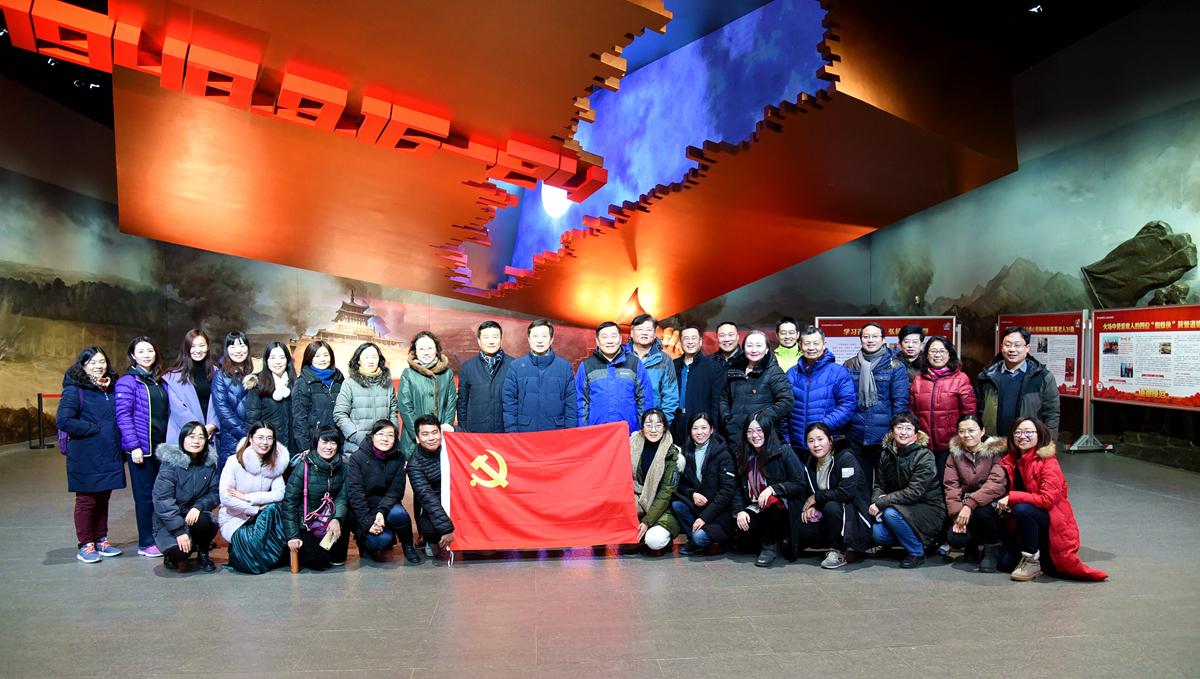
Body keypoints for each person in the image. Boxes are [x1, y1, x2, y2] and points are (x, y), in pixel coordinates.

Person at [996, 417, 1107, 581]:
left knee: (1022, 509)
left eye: (1028, 432)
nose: (1022, 436)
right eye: (1017, 433)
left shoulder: (1048, 461)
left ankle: (1032, 560)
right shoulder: (1010, 460)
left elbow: (1047, 500)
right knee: (1004, 564)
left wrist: (1012, 497)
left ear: (1039, 435)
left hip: (1050, 518)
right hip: (1021, 521)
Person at [56, 346, 126, 564]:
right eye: (92, 362)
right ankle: (85, 544)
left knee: (104, 498)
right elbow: (63, 420)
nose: (98, 366)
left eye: (102, 361)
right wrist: (93, 428)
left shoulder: (110, 388)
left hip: (109, 451)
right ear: (83, 366)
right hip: (85, 454)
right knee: (87, 501)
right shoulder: (74, 389)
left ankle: (101, 539)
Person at [115, 335, 170, 558]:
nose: (147, 355)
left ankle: (160, 536)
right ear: (133, 356)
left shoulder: (158, 380)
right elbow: (123, 415)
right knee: (144, 496)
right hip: (142, 449)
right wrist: (134, 446)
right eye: (141, 351)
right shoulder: (128, 382)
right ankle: (146, 542)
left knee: (161, 494)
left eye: (150, 350)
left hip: (161, 448)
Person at [869, 413, 945, 568]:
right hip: (900, 506)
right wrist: (875, 502)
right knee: (877, 533)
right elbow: (879, 485)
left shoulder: (925, 456)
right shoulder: (886, 454)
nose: (903, 432)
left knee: (890, 513)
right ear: (892, 431)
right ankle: (920, 542)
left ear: (916, 433)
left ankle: (917, 552)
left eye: (909, 428)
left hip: (927, 507)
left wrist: (882, 503)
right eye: (899, 428)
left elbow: (914, 492)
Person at [732, 413, 807, 567]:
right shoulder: (744, 455)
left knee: (770, 501)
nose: (754, 435)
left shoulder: (783, 451)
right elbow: (738, 488)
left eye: (759, 430)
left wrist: (773, 489)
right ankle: (772, 539)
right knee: (743, 530)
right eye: (750, 431)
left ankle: (770, 546)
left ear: (767, 430)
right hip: (755, 505)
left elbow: (800, 484)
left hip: (782, 505)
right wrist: (740, 510)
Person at [794, 422, 871, 569]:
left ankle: (838, 551)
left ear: (830, 440)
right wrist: (812, 505)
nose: (816, 445)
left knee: (832, 507)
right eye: (811, 441)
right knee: (801, 528)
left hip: (852, 513)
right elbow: (810, 490)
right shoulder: (810, 462)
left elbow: (846, 494)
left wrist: (817, 497)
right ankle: (827, 544)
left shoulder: (846, 458)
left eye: (820, 439)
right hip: (826, 511)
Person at [346, 420, 421, 563]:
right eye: (380, 434)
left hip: (387, 504)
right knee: (381, 541)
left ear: (395, 439)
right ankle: (365, 541)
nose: (385, 438)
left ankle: (408, 546)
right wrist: (369, 523)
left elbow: (396, 490)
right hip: (366, 508)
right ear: (372, 436)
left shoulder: (399, 458)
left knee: (399, 514)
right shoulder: (357, 458)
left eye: (390, 435)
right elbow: (356, 494)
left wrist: (381, 512)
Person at [221, 421, 290, 574]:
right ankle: (245, 556)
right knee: (252, 547)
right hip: (235, 518)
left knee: (274, 509)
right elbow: (226, 497)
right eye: (260, 437)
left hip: (261, 518)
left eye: (269, 438)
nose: (265, 442)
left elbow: (280, 493)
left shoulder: (274, 463)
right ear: (251, 438)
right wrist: (255, 509)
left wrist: (247, 497)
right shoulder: (234, 462)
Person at [151, 422, 219, 572]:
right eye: (191, 436)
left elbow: (215, 493)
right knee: (180, 553)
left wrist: (198, 506)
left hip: (192, 515)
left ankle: (203, 551)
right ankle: (170, 556)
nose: (196, 441)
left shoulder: (209, 464)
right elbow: (162, 500)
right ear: (182, 439)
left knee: (206, 521)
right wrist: (179, 532)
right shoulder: (170, 465)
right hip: (169, 520)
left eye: (201, 437)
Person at [843, 323, 909, 477]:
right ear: (861, 339)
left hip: (884, 438)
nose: (870, 340)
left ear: (883, 339)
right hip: (857, 436)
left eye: (875, 336)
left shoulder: (895, 366)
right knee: (860, 483)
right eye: (866, 337)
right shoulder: (850, 365)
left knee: (886, 483)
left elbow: (900, 403)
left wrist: (895, 434)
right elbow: (845, 400)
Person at [909, 336, 977, 482]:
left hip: (951, 444)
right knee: (924, 483)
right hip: (924, 444)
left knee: (947, 483)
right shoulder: (918, 380)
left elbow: (969, 413)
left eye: (942, 351)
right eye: (933, 351)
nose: (937, 355)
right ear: (927, 354)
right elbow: (912, 413)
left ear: (949, 354)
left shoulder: (961, 379)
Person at [944, 414, 1007, 573]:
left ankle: (991, 548)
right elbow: (951, 486)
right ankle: (970, 545)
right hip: (965, 502)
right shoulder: (954, 454)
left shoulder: (995, 452)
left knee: (982, 512)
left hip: (992, 501)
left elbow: (996, 484)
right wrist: (957, 515)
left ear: (982, 431)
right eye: (962, 431)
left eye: (971, 430)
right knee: (955, 538)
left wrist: (969, 505)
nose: (966, 435)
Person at [282, 426, 350, 571]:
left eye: (333, 443)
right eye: (324, 442)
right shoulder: (304, 467)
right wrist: (292, 536)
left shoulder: (343, 467)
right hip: (307, 524)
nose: (328, 447)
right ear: (316, 443)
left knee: (349, 514)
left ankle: (335, 551)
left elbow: (343, 496)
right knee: (319, 562)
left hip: (329, 520)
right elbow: (289, 503)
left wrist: (337, 518)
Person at [977, 326, 1061, 440]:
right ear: (1001, 347)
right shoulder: (987, 376)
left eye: (1017, 345)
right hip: (993, 442)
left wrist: (1048, 442)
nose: (1012, 349)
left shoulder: (1043, 377)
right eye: (1007, 345)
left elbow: (1051, 413)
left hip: (1028, 442)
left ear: (1027, 348)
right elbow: (979, 409)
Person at [671, 412, 735, 556]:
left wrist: (704, 518)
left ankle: (705, 541)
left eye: (704, 428)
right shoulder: (685, 452)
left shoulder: (723, 454)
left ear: (711, 430)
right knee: (677, 505)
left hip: (718, 511)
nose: (699, 432)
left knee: (699, 537)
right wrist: (692, 493)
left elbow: (727, 492)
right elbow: (680, 484)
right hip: (699, 507)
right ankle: (696, 540)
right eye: (695, 428)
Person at [719, 330, 793, 453]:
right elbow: (724, 398)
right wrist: (727, 419)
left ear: (767, 349)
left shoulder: (774, 371)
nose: (754, 350)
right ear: (744, 348)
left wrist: (760, 420)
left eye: (759, 345)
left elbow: (787, 401)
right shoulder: (734, 370)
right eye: (749, 345)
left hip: (762, 436)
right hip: (736, 435)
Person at [785, 326, 855, 451]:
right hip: (797, 445)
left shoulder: (838, 372)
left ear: (824, 345)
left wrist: (821, 427)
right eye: (807, 343)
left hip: (826, 442)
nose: (811, 347)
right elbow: (785, 408)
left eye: (816, 343)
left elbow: (847, 405)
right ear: (800, 345)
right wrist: (786, 439)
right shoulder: (792, 374)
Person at [575, 321, 653, 431]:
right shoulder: (586, 366)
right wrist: (584, 430)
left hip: (629, 432)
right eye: (604, 337)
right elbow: (581, 401)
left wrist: (641, 429)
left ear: (620, 339)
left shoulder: (634, 363)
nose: (610, 341)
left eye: (613, 336)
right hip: (596, 432)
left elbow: (645, 399)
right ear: (597, 341)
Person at [502, 319, 576, 432]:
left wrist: (570, 433)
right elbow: (509, 403)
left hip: (556, 431)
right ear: (529, 339)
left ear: (551, 339)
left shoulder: (564, 367)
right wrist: (512, 433)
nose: (539, 340)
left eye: (544, 336)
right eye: (535, 336)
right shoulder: (516, 367)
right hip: (525, 432)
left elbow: (571, 404)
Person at [629, 408, 682, 553]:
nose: (653, 430)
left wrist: (647, 521)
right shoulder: (632, 445)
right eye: (648, 425)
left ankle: (664, 538)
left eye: (658, 425)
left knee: (654, 540)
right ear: (642, 427)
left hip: (665, 507)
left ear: (664, 428)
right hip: (639, 500)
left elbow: (666, 493)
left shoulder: (672, 453)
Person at [399, 331, 456, 459]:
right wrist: (419, 434)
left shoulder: (447, 374)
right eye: (421, 349)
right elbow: (405, 407)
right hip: (413, 440)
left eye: (430, 348)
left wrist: (445, 429)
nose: (426, 352)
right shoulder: (408, 374)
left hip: (440, 437)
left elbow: (451, 403)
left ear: (436, 350)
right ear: (415, 351)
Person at [333, 342, 398, 450]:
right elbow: (340, 414)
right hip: (357, 447)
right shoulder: (349, 383)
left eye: (374, 357)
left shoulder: (387, 384)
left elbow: (393, 412)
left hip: (384, 447)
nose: (371, 361)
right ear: (358, 360)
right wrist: (355, 436)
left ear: (379, 359)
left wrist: (391, 435)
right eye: (366, 357)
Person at [161, 329, 218, 447]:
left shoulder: (217, 373)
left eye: (202, 345)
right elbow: (178, 409)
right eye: (193, 346)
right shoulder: (173, 376)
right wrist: (198, 430)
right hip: (184, 433)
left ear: (208, 347)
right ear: (186, 348)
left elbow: (221, 404)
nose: (198, 350)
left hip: (211, 434)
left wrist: (213, 425)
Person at [407, 415, 454, 559]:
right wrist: (446, 529)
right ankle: (431, 541)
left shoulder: (450, 445)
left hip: (457, 497)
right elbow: (427, 498)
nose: (431, 438)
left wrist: (455, 430)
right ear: (417, 438)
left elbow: (470, 438)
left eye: (435, 432)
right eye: (425, 434)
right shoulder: (414, 464)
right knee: (431, 531)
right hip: (435, 501)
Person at [244, 342, 296, 463]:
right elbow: (252, 420)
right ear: (266, 360)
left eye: (282, 357)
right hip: (267, 447)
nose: (277, 362)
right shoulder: (257, 384)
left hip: (293, 447)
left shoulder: (295, 383)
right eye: (272, 357)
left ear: (287, 360)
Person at [211, 331, 256, 470]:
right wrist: (246, 435)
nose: (238, 350)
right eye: (233, 346)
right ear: (227, 350)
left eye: (242, 345)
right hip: (233, 440)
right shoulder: (220, 375)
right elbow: (223, 411)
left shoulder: (256, 371)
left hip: (258, 439)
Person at [672, 324, 723, 442]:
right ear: (681, 342)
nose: (690, 342)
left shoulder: (713, 367)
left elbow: (716, 404)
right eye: (686, 338)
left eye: (693, 338)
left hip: (700, 424)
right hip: (676, 422)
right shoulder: (673, 365)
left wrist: (712, 428)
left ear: (700, 341)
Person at [291, 340, 344, 454]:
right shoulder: (303, 382)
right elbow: (299, 418)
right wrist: (304, 446)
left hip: (337, 441)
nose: (322, 359)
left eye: (326, 355)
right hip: (315, 442)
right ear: (310, 358)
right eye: (317, 356)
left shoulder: (339, 380)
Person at [457, 321, 510, 434]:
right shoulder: (468, 367)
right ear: (479, 341)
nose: (491, 341)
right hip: (476, 432)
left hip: (505, 431)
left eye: (495, 337)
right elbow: (462, 403)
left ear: (501, 339)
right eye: (486, 337)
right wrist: (463, 430)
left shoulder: (513, 365)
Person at [625, 314, 679, 426]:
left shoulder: (664, 360)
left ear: (654, 334)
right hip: (624, 422)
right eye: (640, 329)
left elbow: (670, 396)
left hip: (652, 424)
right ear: (632, 333)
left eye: (649, 330)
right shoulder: (621, 357)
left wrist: (662, 424)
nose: (644, 333)